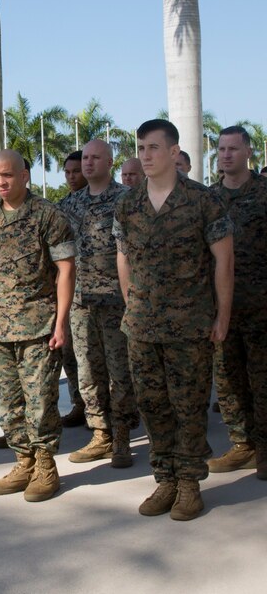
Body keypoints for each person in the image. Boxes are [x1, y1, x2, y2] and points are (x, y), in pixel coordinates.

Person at [114, 119, 233, 521]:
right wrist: (131, 305)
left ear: (173, 152)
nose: (145, 155)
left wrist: (222, 316)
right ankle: (165, 479)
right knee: (153, 406)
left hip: (190, 325)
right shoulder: (129, 204)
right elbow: (123, 258)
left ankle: (189, 485)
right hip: (142, 327)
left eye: (153, 148)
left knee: (189, 407)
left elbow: (224, 261)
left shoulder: (202, 200)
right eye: (140, 148)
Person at [0, 150, 76, 502]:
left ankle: (46, 466)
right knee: (5, 403)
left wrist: (61, 323)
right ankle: (24, 462)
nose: (1, 182)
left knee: (41, 402)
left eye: (7, 175)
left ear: (24, 175)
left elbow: (66, 270)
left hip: (38, 327)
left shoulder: (49, 216)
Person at [60, 140, 136, 468]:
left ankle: (122, 436)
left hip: (117, 301)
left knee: (120, 372)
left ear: (109, 162)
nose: (88, 163)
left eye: (95, 158)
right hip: (81, 302)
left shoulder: (128, 199)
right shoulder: (69, 204)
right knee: (88, 371)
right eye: (86, 158)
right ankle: (100, 434)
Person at [209, 126, 267, 479]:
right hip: (222, 309)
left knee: (262, 379)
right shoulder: (208, 199)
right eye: (221, 149)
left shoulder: (263, 193)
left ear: (248, 152)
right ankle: (243, 445)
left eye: (233, 149)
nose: (226, 155)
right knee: (228, 380)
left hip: (261, 306)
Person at [57, 151, 88, 428]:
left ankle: (106, 409)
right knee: (70, 354)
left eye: (76, 171)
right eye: (67, 172)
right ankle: (79, 403)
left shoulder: (114, 199)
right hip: (71, 292)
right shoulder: (61, 208)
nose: (71, 177)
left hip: (104, 292)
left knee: (98, 357)